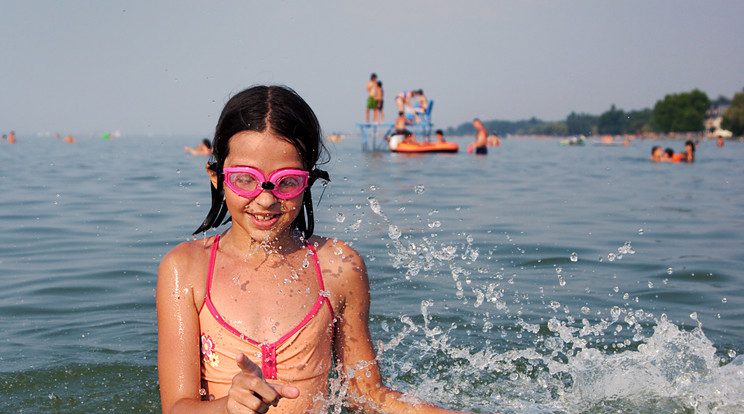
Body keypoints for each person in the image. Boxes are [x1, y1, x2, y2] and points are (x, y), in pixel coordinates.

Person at [157, 85, 476, 414]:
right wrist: (227, 406)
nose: (266, 199)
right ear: (217, 177)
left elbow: (364, 394)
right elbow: (178, 407)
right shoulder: (186, 269)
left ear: (308, 180)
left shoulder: (338, 267)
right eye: (245, 179)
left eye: (287, 182)